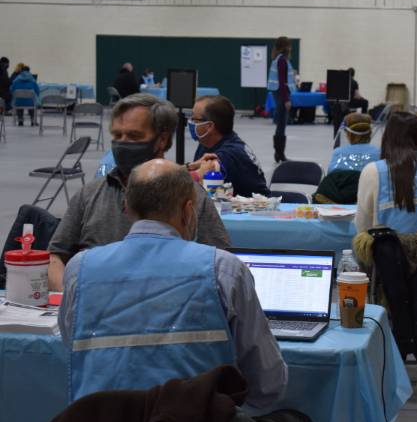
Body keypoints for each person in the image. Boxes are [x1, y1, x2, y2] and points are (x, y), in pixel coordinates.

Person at [58, 159, 288, 406]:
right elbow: (268, 384)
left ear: (126, 206)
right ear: (188, 211)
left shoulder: (79, 271)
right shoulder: (223, 270)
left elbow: (71, 344)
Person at [47, 93, 231, 291]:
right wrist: (70, 299)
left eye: (134, 136)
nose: (122, 143)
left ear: (161, 139)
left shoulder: (193, 197)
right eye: (117, 136)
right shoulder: (89, 194)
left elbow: (220, 266)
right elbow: (55, 256)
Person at [187, 95, 270, 196]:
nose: (190, 122)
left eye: (194, 119)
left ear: (209, 126)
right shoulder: (207, 143)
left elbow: (191, 191)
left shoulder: (228, 155)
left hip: (255, 210)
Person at [267, 36, 295, 163]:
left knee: (281, 125)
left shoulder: (278, 59)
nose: (291, 47)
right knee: (281, 125)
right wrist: (286, 99)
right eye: (289, 45)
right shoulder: (282, 60)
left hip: (278, 93)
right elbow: (283, 82)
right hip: (281, 94)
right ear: (286, 46)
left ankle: (279, 154)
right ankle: (279, 154)